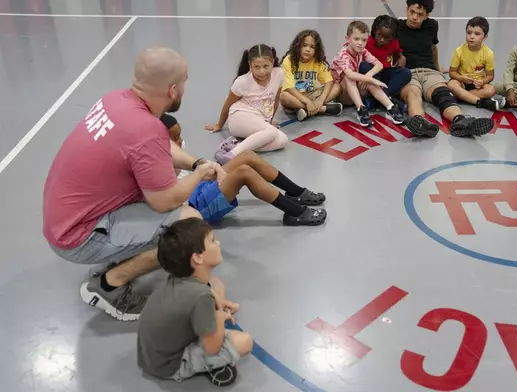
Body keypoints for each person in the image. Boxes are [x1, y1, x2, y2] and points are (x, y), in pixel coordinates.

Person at [42, 46, 226, 321]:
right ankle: (108, 286)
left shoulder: (116, 100)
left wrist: (196, 163)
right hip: (76, 236)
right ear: (173, 90)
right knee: (188, 228)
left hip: (63, 218)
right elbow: (164, 200)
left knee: (167, 188)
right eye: (185, 83)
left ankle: (119, 251)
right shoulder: (145, 128)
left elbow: (161, 144)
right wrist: (199, 176)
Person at [137, 218, 252, 386]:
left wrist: (219, 301)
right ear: (198, 257)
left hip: (152, 353)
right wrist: (219, 318)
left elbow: (209, 290)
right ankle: (211, 366)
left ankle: (207, 329)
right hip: (170, 365)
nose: (218, 243)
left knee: (217, 285)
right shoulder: (200, 297)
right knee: (244, 342)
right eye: (213, 240)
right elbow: (211, 348)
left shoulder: (179, 277)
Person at [162, 114, 327, 226]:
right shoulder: (155, 165)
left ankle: (295, 192)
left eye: (180, 135)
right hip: (193, 208)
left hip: (197, 187)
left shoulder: (178, 147)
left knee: (247, 155)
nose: (181, 141)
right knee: (244, 172)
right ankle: (294, 213)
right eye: (175, 138)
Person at [396, 0, 495, 138]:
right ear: (406, 9)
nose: (414, 17)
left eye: (420, 14)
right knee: (413, 95)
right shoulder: (396, 27)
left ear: (426, 15)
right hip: (408, 73)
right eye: (412, 12)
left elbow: (433, 47)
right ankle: (420, 122)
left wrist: (437, 68)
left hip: (429, 71)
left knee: (443, 95)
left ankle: (461, 121)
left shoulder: (431, 26)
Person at [205, 44, 287, 164]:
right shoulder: (242, 82)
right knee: (271, 132)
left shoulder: (279, 74)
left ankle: (237, 145)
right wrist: (219, 125)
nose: (262, 71)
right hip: (239, 116)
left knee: (283, 140)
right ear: (250, 66)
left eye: (266, 66)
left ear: (272, 62)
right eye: (257, 67)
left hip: (258, 119)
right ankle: (231, 155)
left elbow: (275, 99)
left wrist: (268, 122)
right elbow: (228, 104)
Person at [331, 20, 406, 127]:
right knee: (350, 77)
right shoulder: (343, 55)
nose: (360, 43)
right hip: (341, 93)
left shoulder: (362, 51)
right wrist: (371, 79)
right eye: (356, 39)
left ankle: (390, 107)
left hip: (354, 91)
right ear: (347, 39)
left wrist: (368, 76)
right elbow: (350, 75)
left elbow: (379, 64)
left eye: (364, 40)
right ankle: (361, 110)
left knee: (369, 80)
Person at [279, 29, 343, 121]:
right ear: (298, 46)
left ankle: (302, 109)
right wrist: (308, 102)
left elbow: (329, 81)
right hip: (294, 96)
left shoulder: (317, 60)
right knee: (283, 96)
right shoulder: (289, 60)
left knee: (337, 87)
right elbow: (289, 88)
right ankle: (321, 109)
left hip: (311, 94)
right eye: (304, 45)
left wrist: (320, 100)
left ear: (316, 50)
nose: (308, 50)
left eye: (312, 47)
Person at [447, 16, 502, 112]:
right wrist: (462, 78)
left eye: (477, 34)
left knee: (491, 90)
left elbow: (490, 76)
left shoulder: (488, 53)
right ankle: (479, 101)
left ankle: (460, 96)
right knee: (452, 84)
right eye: (469, 33)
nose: (471, 36)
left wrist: (483, 81)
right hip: (462, 82)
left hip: (478, 85)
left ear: (485, 37)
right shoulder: (459, 51)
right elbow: (452, 72)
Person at [358, 14, 412, 108]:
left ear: (393, 36)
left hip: (386, 73)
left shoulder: (394, 43)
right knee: (364, 66)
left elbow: (398, 55)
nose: (382, 40)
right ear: (375, 31)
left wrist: (399, 60)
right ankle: (385, 99)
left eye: (387, 37)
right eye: (379, 35)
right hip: (372, 74)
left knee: (406, 72)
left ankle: (378, 98)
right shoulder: (367, 41)